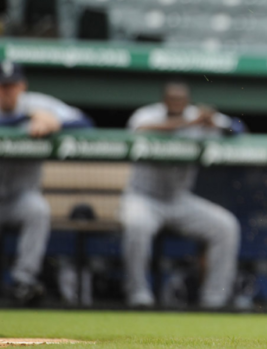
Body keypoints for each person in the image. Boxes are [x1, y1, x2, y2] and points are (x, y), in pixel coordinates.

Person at [121, 81, 243, 308]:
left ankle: (214, 299)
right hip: (143, 197)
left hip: (179, 199)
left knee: (226, 226)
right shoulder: (148, 114)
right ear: (164, 100)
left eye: (181, 99)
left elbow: (238, 129)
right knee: (137, 225)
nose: (177, 103)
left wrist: (214, 122)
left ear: (187, 101)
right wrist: (189, 123)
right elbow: (138, 129)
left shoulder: (196, 116)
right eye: (172, 99)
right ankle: (138, 294)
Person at [0, 62, 92, 304]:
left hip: (21, 196)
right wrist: (25, 118)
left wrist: (55, 123)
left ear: (22, 86)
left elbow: (85, 123)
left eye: (11, 85)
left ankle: (23, 281)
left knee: (38, 209)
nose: (6, 91)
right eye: (2, 86)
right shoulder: (30, 111)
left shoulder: (39, 103)